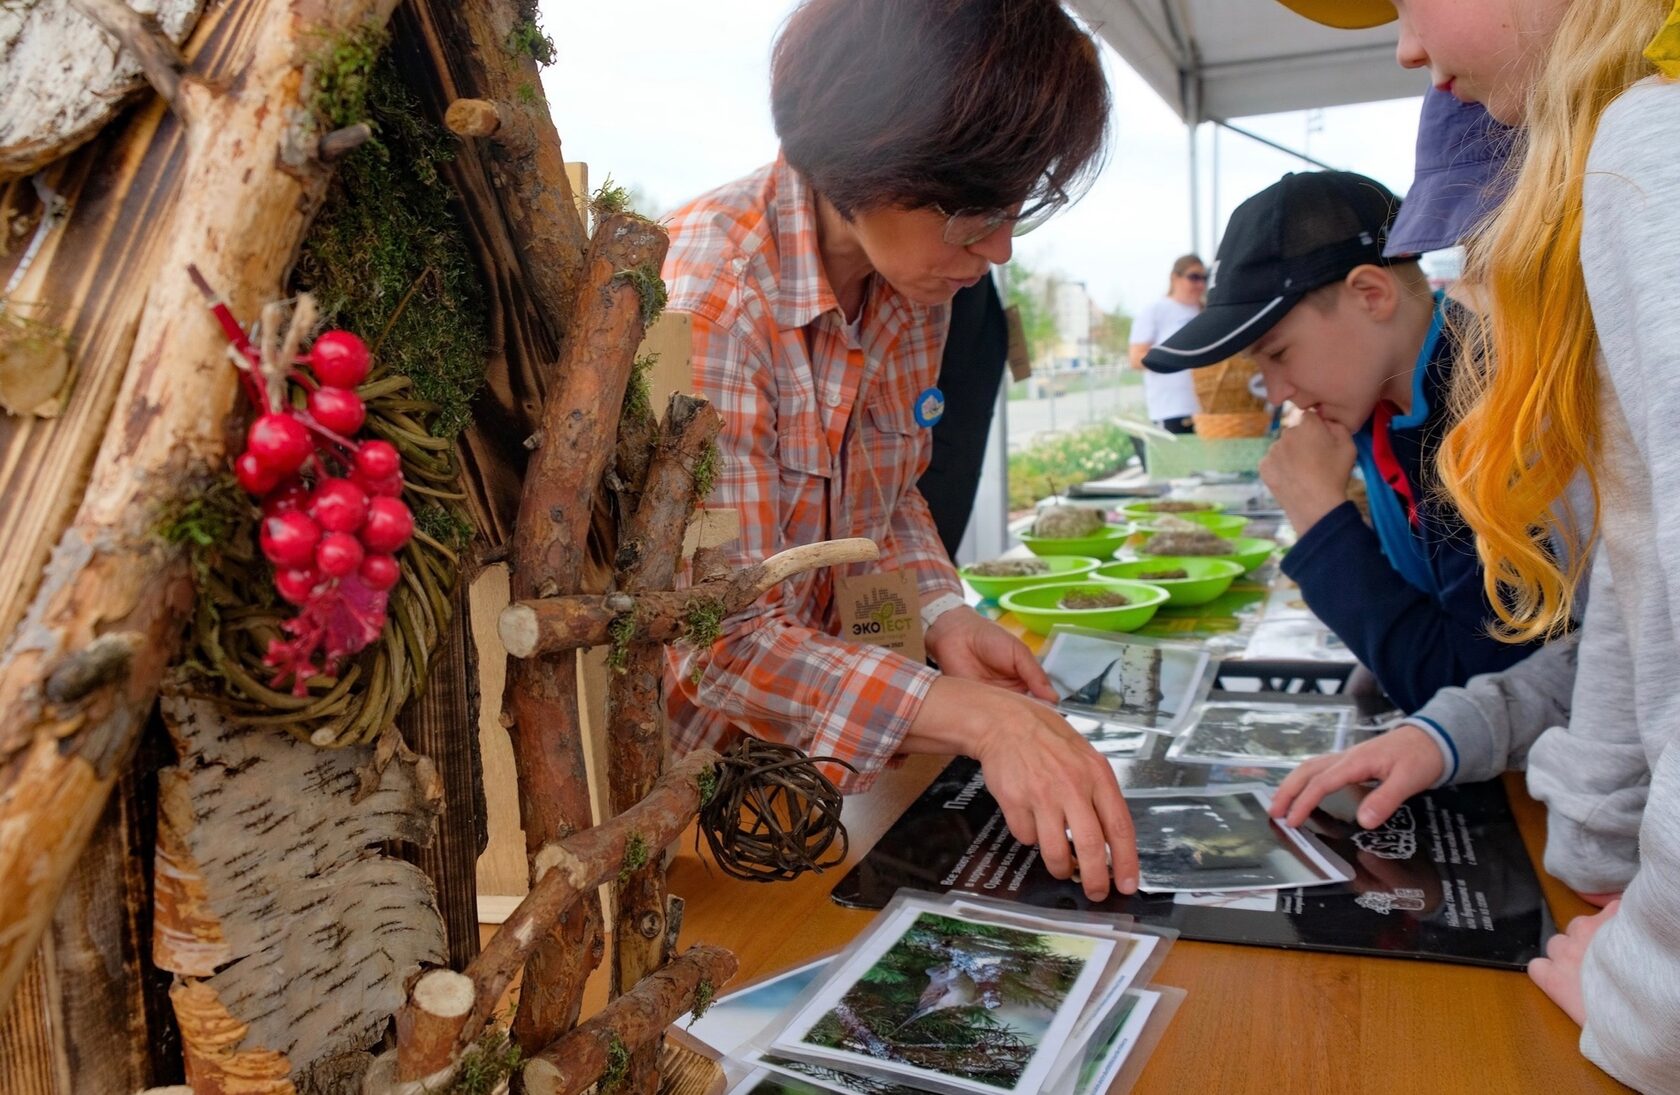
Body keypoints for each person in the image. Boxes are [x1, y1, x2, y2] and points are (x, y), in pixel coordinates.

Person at [1268, 0, 1680, 1088]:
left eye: (1493, 251)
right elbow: (1603, 642)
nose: (1403, 44)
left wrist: (1655, 992)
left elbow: (1469, 648)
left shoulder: (1649, 154)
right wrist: (1450, 738)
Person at [660, 0, 1138, 901]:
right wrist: (978, 719)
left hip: (811, 791)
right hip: (678, 810)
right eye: (970, 213)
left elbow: (890, 492)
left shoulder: (915, 282)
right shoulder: (712, 304)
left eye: (1013, 208)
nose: (994, 250)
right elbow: (715, 641)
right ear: (864, 159)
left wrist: (943, 613)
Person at [1142, 170, 1539, 714]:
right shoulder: (1379, 402)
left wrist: (1322, 522)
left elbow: (1476, 691)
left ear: (1371, 295)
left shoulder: (1492, 423)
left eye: (1278, 353)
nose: (1279, 391)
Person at [1126, 255, 1205, 467]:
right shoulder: (1156, 310)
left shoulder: (1205, 311)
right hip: (1171, 409)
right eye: (1194, 277)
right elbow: (1136, 358)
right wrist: (1178, 356)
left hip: (1208, 412)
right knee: (1178, 471)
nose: (1200, 284)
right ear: (1175, 278)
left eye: (1204, 278)